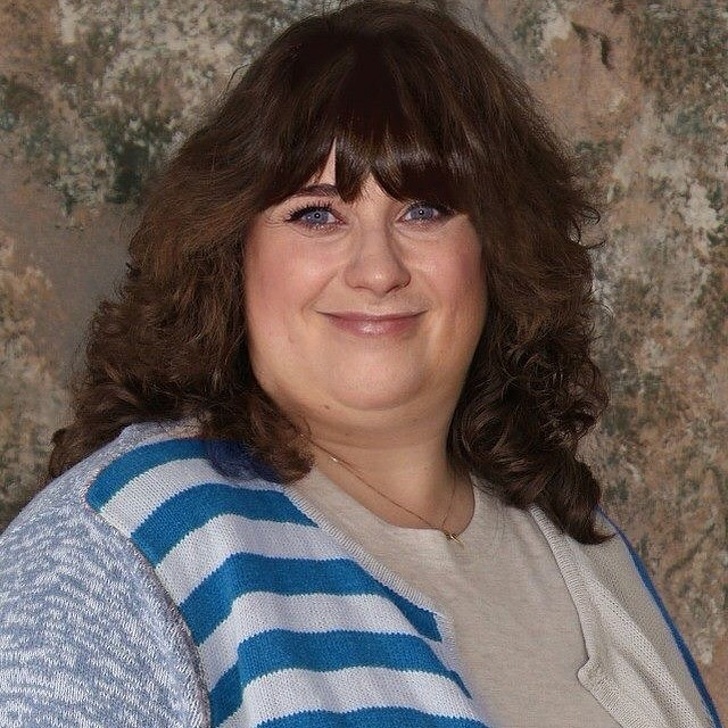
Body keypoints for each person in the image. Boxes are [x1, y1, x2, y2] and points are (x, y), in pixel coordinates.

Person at [0, 1, 722, 727]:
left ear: (496, 249)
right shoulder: (121, 543)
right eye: (317, 215)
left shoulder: (576, 541)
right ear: (230, 253)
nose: (378, 270)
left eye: (424, 210)